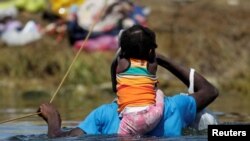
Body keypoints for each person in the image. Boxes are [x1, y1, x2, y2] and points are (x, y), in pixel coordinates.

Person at [38, 52, 219, 138]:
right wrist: (163, 60)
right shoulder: (174, 107)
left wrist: (53, 118)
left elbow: (57, 137)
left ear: (118, 86)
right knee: (206, 118)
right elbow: (210, 91)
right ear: (155, 84)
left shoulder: (104, 114)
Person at [110, 25, 164, 135]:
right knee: (159, 92)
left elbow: (115, 61)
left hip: (130, 119)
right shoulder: (152, 65)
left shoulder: (122, 63)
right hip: (154, 115)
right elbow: (153, 54)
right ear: (151, 49)